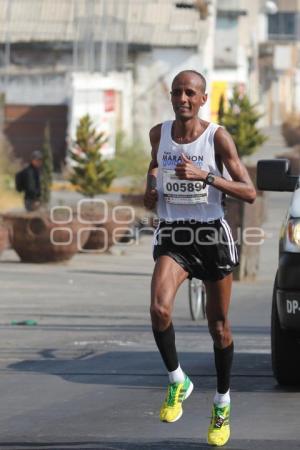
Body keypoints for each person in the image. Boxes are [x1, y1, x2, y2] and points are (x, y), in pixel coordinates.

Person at [143, 70, 256, 447]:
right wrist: (150, 186)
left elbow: (249, 192)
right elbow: (154, 167)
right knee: (159, 309)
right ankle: (178, 380)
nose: (183, 99)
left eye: (190, 93)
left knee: (219, 326)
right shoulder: (158, 134)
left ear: (203, 98)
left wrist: (206, 176)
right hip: (174, 233)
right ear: (171, 96)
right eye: (177, 92)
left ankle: (222, 402)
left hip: (210, 234)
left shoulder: (217, 137)